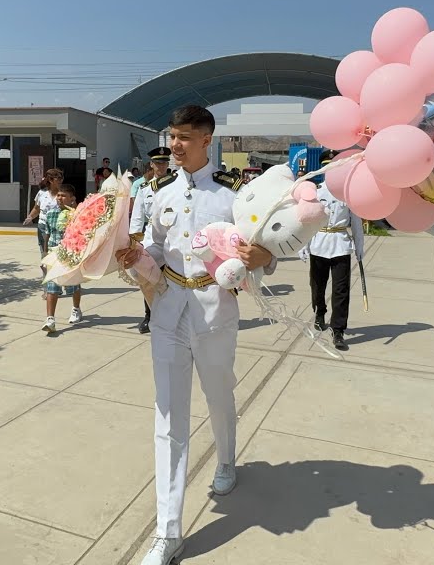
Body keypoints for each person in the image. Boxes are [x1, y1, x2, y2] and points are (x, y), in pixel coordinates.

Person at [116, 106, 273, 565]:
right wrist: (134, 257)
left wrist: (262, 256)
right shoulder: (160, 191)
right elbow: (157, 248)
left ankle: (226, 458)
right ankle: (168, 532)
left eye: (184, 137)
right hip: (168, 311)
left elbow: (264, 252)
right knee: (168, 415)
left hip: (214, 310)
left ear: (207, 139)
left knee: (219, 395)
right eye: (172, 136)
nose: (175, 145)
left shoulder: (233, 194)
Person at [299, 151, 364, 351]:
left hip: (340, 245)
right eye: (328, 167)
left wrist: (359, 247)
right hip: (318, 243)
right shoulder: (315, 192)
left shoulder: (348, 193)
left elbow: (356, 223)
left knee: (341, 290)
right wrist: (303, 245)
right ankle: (320, 311)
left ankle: (338, 330)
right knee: (317, 286)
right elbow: (307, 221)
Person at [128, 147, 172, 334]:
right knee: (144, 275)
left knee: (174, 280)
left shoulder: (176, 186)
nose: (161, 166)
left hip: (174, 239)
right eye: (158, 163)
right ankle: (150, 315)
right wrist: (134, 241)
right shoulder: (144, 189)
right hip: (152, 239)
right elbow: (137, 217)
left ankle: (175, 315)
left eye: (164, 163)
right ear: (151, 165)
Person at [43, 184, 84, 334]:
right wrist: (45, 253)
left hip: (71, 255)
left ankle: (76, 309)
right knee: (52, 287)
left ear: (72, 199)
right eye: (58, 195)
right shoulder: (50, 214)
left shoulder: (78, 215)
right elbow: (47, 234)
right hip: (54, 255)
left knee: (73, 286)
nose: (59, 198)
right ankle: (50, 320)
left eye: (63, 196)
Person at [23, 168, 64, 263]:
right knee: (44, 252)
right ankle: (46, 270)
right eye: (58, 178)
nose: (61, 181)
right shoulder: (42, 193)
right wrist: (30, 217)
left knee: (57, 251)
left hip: (57, 227)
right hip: (43, 226)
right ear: (50, 180)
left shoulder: (62, 194)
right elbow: (37, 208)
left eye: (62, 178)